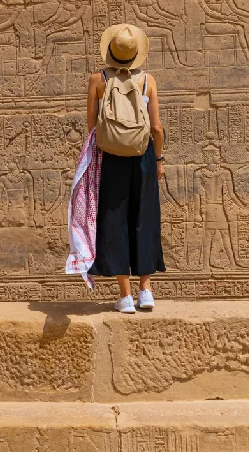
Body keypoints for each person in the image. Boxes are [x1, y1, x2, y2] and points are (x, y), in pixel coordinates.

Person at [84, 24, 165, 313]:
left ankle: (125, 296)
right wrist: (158, 160)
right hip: (143, 155)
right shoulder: (148, 81)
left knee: (115, 218)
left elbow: (92, 128)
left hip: (111, 157)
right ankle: (146, 291)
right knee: (144, 217)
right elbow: (156, 127)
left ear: (111, 53)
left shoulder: (98, 80)